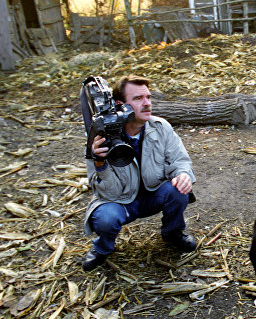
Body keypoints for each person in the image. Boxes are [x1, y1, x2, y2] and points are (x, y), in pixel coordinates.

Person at [82, 75, 197, 272]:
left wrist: (183, 174)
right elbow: (106, 193)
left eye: (148, 97)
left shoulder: (161, 127)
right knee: (106, 217)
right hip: (120, 201)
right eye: (138, 99)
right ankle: (102, 248)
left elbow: (180, 161)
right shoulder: (101, 137)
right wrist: (100, 163)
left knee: (178, 191)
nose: (147, 104)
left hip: (153, 194)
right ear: (121, 105)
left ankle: (173, 234)